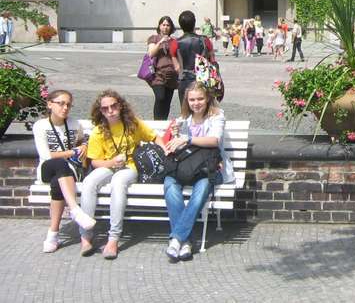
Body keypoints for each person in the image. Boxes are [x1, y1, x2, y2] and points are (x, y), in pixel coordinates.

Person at [80, 90, 164, 259]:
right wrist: (111, 163)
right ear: (100, 111)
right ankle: (85, 236)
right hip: (108, 165)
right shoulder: (98, 131)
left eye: (113, 106)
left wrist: (165, 153)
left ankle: (113, 238)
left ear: (120, 105)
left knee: (118, 182)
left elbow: (154, 137)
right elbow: (95, 162)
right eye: (105, 108)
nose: (110, 111)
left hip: (130, 166)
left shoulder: (133, 123)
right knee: (89, 182)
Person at [163, 82, 233, 262]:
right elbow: (180, 148)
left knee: (201, 189)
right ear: (187, 101)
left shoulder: (217, 116)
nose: (196, 103)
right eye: (192, 99)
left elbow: (214, 140)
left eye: (200, 99)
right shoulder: (184, 119)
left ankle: (176, 239)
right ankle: (185, 242)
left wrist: (188, 138)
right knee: (170, 184)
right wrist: (176, 134)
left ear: (207, 98)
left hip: (208, 168)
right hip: (186, 167)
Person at [32, 90, 96, 253]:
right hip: (47, 168)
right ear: (50, 104)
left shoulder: (74, 124)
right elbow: (46, 155)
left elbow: (82, 141)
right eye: (61, 103)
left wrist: (84, 145)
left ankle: (52, 235)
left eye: (68, 104)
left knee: (57, 183)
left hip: (69, 171)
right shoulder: (41, 126)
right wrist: (72, 152)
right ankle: (75, 209)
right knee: (59, 163)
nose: (65, 107)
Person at [169, 10, 215, 107]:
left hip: (185, 80)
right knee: (203, 109)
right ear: (194, 23)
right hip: (203, 79)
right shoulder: (205, 40)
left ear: (180, 25)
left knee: (186, 109)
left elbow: (177, 67)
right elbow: (213, 60)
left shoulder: (175, 43)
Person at [146, 16, 179, 120]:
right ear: (159, 26)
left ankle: (163, 122)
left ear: (171, 27)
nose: (165, 27)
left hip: (172, 75)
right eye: (163, 25)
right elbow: (151, 53)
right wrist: (161, 42)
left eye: (168, 25)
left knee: (167, 102)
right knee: (160, 97)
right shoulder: (154, 38)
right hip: (158, 74)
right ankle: (156, 122)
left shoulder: (174, 41)